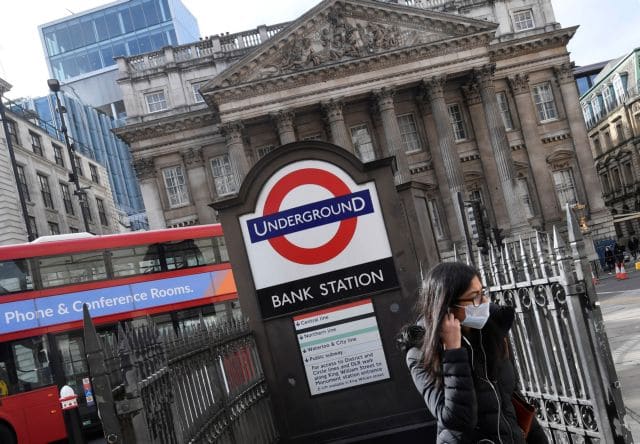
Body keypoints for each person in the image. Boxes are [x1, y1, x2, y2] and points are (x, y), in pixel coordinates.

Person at [398, 262, 547, 443]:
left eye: (482, 293)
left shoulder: (489, 333)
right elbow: (457, 419)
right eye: (474, 297)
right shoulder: (421, 353)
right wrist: (453, 351)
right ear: (447, 306)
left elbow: (511, 397)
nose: (484, 302)